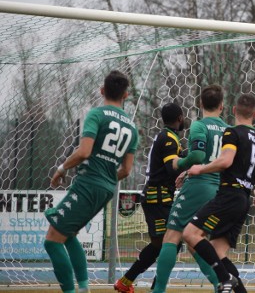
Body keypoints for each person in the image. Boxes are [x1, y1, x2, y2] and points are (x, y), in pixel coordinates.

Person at [44, 70, 139, 293]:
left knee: (52, 241)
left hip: (88, 184)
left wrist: (61, 168)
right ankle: (84, 288)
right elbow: (126, 170)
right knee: (68, 235)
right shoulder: (132, 128)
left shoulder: (97, 114)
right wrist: (106, 178)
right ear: (125, 95)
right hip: (106, 189)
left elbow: (84, 151)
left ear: (102, 90)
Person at [183, 93, 255, 293]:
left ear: (233, 110)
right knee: (217, 252)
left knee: (190, 234)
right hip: (243, 200)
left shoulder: (232, 133)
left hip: (228, 197)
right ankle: (236, 287)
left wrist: (200, 168)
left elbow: (226, 161)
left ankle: (225, 279)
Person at [114, 103, 204, 293]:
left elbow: (174, 164)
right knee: (168, 242)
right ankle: (142, 284)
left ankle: (130, 281)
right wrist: (194, 158)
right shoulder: (169, 139)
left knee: (167, 243)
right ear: (180, 118)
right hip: (157, 197)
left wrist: (192, 158)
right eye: (183, 117)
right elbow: (171, 167)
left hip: (161, 197)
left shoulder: (168, 137)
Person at [151, 85, 230, 293]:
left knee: (172, 236)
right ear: (222, 106)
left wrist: (183, 165)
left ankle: (158, 290)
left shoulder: (199, 126)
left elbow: (197, 157)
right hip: (218, 190)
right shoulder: (229, 130)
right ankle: (220, 285)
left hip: (198, 187)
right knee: (196, 242)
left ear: (201, 104)